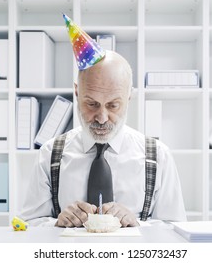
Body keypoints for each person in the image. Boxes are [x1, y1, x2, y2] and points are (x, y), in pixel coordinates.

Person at [19, 15, 186, 227]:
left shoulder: (159, 156)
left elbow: (175, 231)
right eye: (92, 104)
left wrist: (136, 224)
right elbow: (26, 227)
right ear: (77, 93)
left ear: (128, 97)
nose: (102, 117)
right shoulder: (50, 154)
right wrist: (56, 223)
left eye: (113, 105)